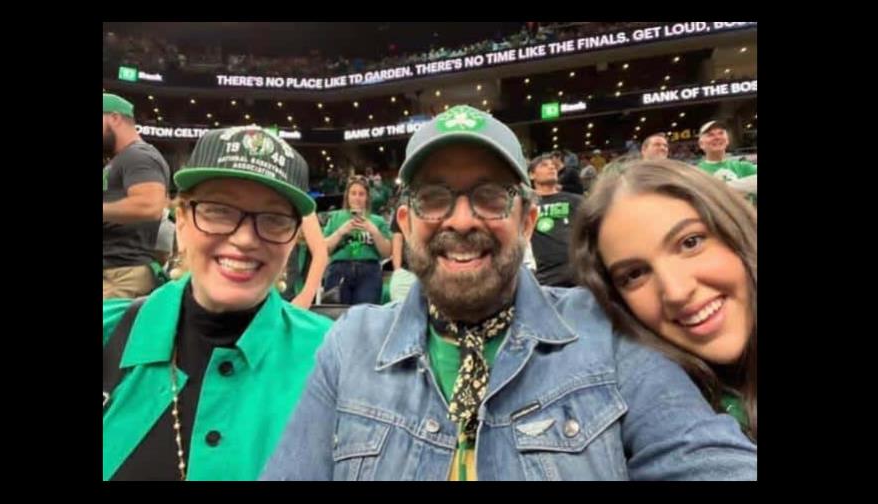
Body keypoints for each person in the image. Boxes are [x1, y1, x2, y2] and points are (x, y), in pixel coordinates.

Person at [260, 105, 756, 481]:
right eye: (434, 198)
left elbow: (706, 458)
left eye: (491, 196)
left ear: (527, 219)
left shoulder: (604, 329)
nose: (461, 220)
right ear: (406, 223)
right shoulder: (351, 344)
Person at [103, 126, 333, 481]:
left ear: (293, 240)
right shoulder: (109, 332)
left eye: (273, 219)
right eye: (218, 211)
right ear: (180, 220)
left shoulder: (334, 356)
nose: (243, 239)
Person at [571, 158, 756, 442]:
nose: (676, 291)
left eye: (690, 242)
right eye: (634, 275)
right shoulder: (643, 410)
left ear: (736, 229)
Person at [103, 93, 171, 298]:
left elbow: (149, 206)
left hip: (123, 273)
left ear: (114, 118)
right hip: (115, 271)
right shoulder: (120, 159)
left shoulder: (138, 155)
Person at [322, 175, 392, 304]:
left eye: (361, 194)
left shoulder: (378, 220)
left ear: (367, 198)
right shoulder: (335, 217)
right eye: (353, 193)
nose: (357, 198)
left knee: (365, 318)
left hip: (369, 272)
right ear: (347, 196)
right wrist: (340, 232)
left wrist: (374, 231)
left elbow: (387, 252)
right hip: (338, 270)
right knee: (336, 316)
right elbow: (323, 249)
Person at [528, 154, 582, 287]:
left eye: (553, 165)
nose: (551, 167)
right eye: (544, 165)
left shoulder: (576, 200)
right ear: (531, 175)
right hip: (544, 280)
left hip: (580, 276)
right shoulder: (525, 206)